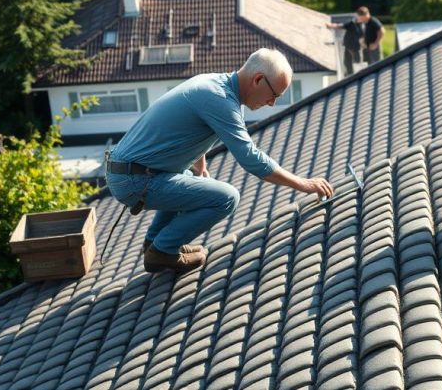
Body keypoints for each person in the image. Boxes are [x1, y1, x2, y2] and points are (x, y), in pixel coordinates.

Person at [105, 49, 335, 273]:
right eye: (274, 95)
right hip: (133, 179)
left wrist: (200, 166)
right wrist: (303, 184)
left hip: (133, 172)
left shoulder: (213, 83)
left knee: (191, 181)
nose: (271, 103)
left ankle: (155, 242)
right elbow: (251, 160)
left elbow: (191, 129)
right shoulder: (220, 100)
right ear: (258, 79)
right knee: (226, 197)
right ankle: (161, 251)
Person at [327, 6, 385, 75]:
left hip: (373, 47)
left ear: (365, 15)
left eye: (360, 17)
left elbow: (382, 31)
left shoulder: (372, 21)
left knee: (374, 64)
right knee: (367, 65)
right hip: (367, 47)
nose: (360, 19)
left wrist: (375, 43)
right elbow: (342, 26)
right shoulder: (363, 23)